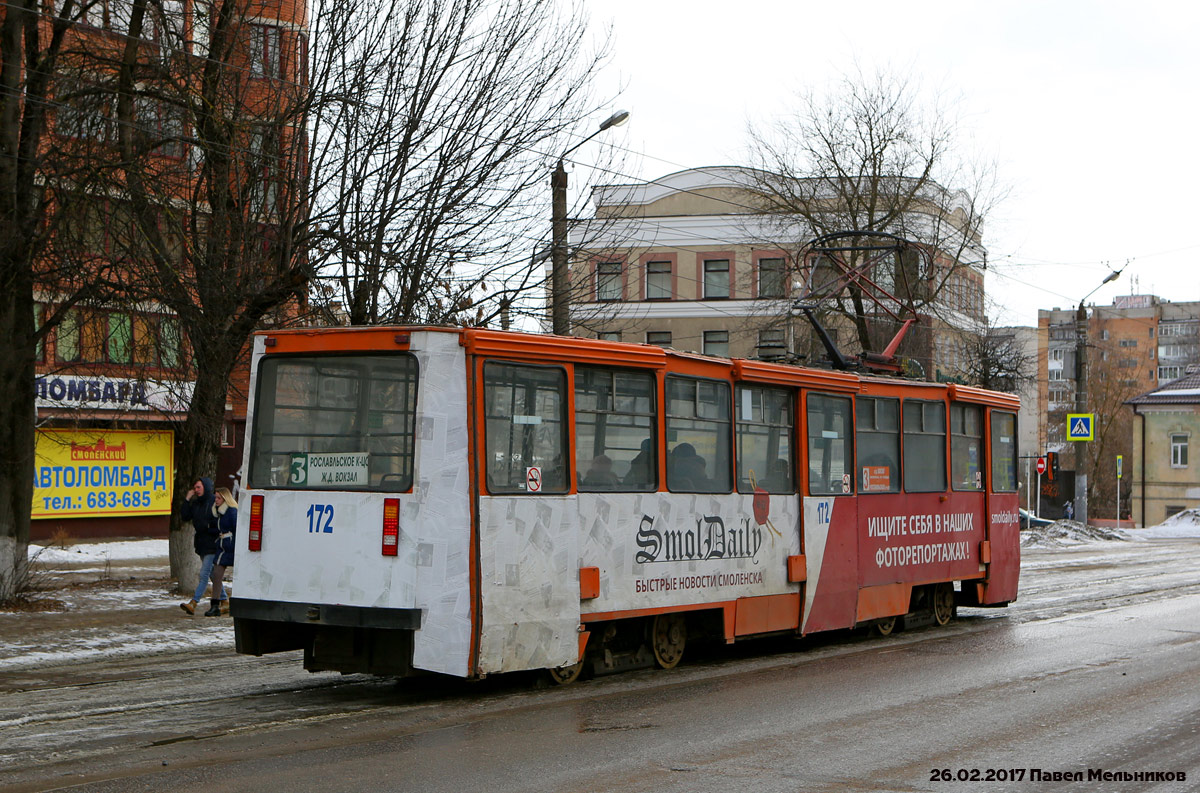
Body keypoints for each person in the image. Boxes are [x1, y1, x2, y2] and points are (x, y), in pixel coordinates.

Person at [179, 477, 220, 615]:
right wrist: (187, 499)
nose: (196, 490)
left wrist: (208, 527)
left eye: (199, 487)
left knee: (204, 574)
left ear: (206, 487)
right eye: (195, 488)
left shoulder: (214, 501)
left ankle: (194, 602)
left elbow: (218, 522)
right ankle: (225, 600)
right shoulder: (196, 503)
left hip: (212, 543)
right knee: (213, 574)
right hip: (202, 543)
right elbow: (185, 516)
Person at [205, 487, 238, 616]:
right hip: (222, 547)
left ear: (225, 498)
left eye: (219, 498)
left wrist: (235, 545)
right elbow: (217, 528)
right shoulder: (217, 512)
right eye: (215, 498)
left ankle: (237, 602)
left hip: (231, 546)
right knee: (216, 575)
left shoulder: (232, 511)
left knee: (238, 575)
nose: (216, 500)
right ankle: (215, 605)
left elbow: (236, 529)